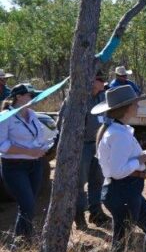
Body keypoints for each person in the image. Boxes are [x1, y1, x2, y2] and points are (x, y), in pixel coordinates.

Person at [93, 85, 146, 252]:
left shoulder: (118, 131)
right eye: (134, 103)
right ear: (125, 108)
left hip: (125, 190)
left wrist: (142, 156)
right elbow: (118, 171)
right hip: (123, 190)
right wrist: (142, 159)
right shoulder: (118, 134)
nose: (138, 106)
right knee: (123, 241)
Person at [61, 70, 112, 230]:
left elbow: (109, 117)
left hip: (99, 145)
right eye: (100, 79)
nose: (103, 82)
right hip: (81, 147)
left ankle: (96, 213)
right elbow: (62, 123)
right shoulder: (76, 99)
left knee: (97, 181)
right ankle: (79, 215)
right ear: (91, 80)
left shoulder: (103, 97)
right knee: (79, 183)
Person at [0, 84, 50, 241]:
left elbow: (38, 137)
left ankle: (23, 240)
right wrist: (29, 152)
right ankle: (22, 240)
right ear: (19, 97)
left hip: (35, 165)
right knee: (28, 204)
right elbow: (2, 145)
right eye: (30, 95)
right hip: (14, 167)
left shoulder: (32, 114)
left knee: (27, 205)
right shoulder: (5, 116)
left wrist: (43, 147)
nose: (33, 98)